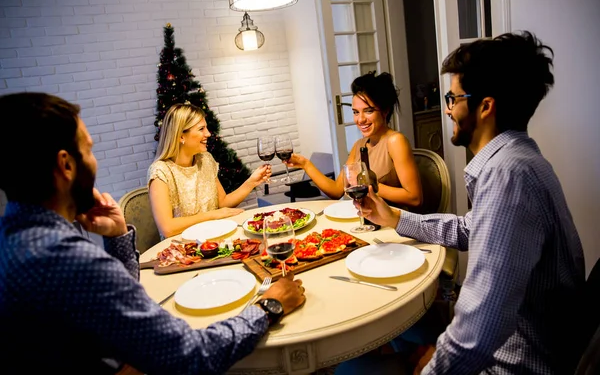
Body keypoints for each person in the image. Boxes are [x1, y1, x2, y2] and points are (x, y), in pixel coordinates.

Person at [0, 93, 306, 375]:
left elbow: (118, 305)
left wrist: (118, 237)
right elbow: (189, 355)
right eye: (90, 150)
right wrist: (269, 305)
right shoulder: (69, 260)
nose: (95, 160)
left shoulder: (16, 240)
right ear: (66, 164)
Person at [357, 31, 586, 374]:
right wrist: (396, 219)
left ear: (485, 106)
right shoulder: (517, 159)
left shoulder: (509, 176)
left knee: (361, 365)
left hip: (518, 363)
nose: (447, 109)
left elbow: (478, 330)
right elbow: (470, 228)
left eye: (453, 98)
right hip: (513, 349)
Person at [286, 72, 422, 209]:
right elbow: (336, 191)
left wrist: (369, 184)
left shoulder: (395, 141)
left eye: (368, 111)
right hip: (367, 219)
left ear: (385, 111)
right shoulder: (359, 145)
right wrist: (305, 164)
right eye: (356, 112)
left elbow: (414, 198)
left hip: (393, 224)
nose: (360, 119)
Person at [148, 102, 271, 238]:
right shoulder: (161, 172)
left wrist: (252, 182)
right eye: (201, 129)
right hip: (182, 249)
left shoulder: (205, 159)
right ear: (181, 136)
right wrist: (213, 215)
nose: (208, 134)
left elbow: (223, 202)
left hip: (214, 237)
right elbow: (167, 228)